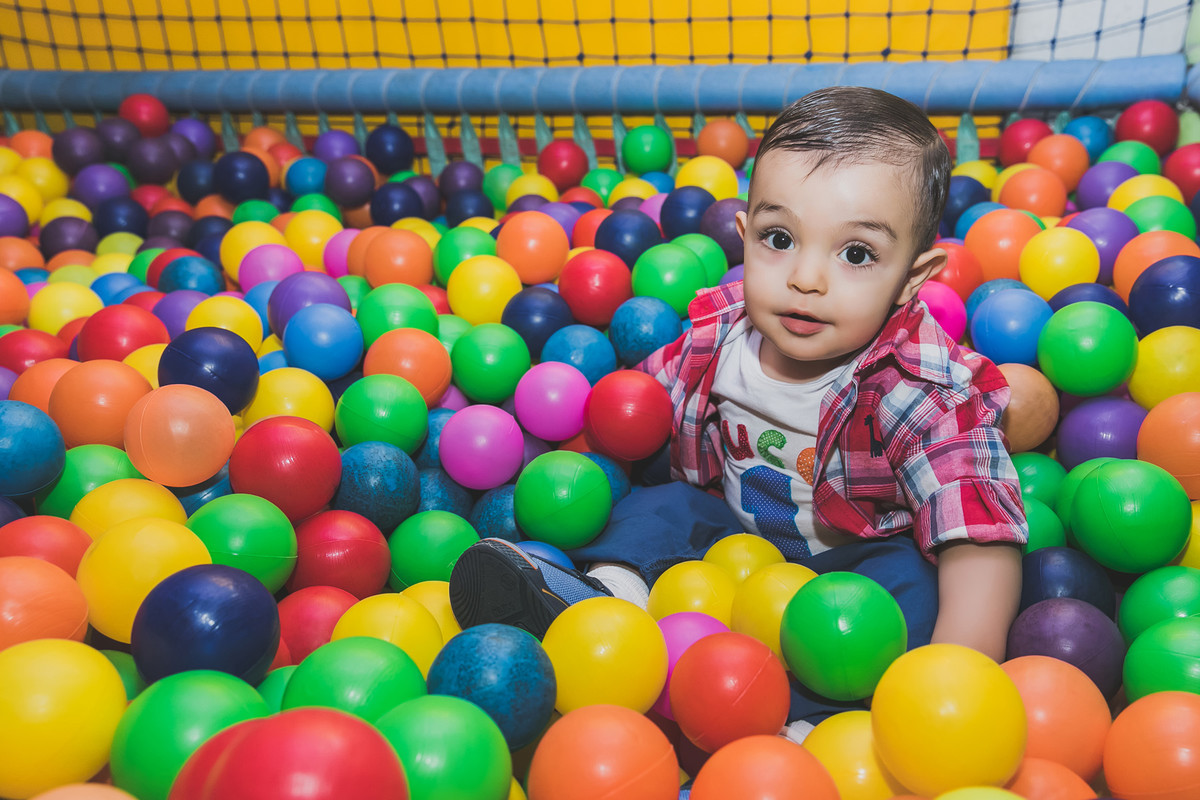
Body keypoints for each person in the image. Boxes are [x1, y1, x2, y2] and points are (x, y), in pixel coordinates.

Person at [449, 86, 1028, 726]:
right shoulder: (716, 342)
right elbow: (628, 420)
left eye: (856, 253)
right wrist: (561, 475)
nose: (807, 278)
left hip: (845, 577)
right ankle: (604, 609)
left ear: (913, 279)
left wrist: (957, 673)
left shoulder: (917, 390)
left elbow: (976, 532)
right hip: (726, 546)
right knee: (660, 506)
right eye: (781, 239)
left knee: (913, 586)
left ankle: (812, 717)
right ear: (744, 236)